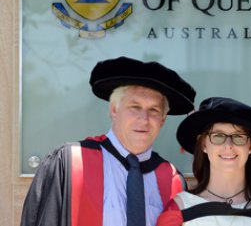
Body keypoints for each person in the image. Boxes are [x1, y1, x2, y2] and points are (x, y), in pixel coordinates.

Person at [20, 56, 196, 226]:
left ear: (163, 120)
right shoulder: (69, 162)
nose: (144, 119)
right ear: (114, 109)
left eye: (154, 110)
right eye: (135, 107)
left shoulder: (172, 180)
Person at [157, 97, 251, 226]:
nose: (228, 145)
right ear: (203, 144)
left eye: (238, 136)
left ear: (250, 146)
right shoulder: (180, 209)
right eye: (218, 136)